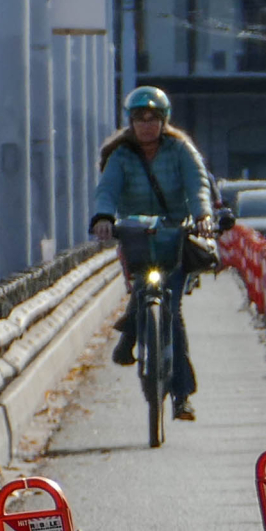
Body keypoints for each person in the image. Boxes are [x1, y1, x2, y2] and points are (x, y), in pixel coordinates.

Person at [89, 87, 213, 419]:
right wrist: (103, 218)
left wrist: (202, 216)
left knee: (171, 311)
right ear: (130, 122)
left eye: (152, 119)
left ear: (163, 121)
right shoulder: (121, 155)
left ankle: (182, 396)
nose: (146, 125)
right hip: (134, 233)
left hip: (174, 233)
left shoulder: (180, 150)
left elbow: (197, 184)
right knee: (142, 285)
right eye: (139, 119)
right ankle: (132, 331)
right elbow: (107, 190)